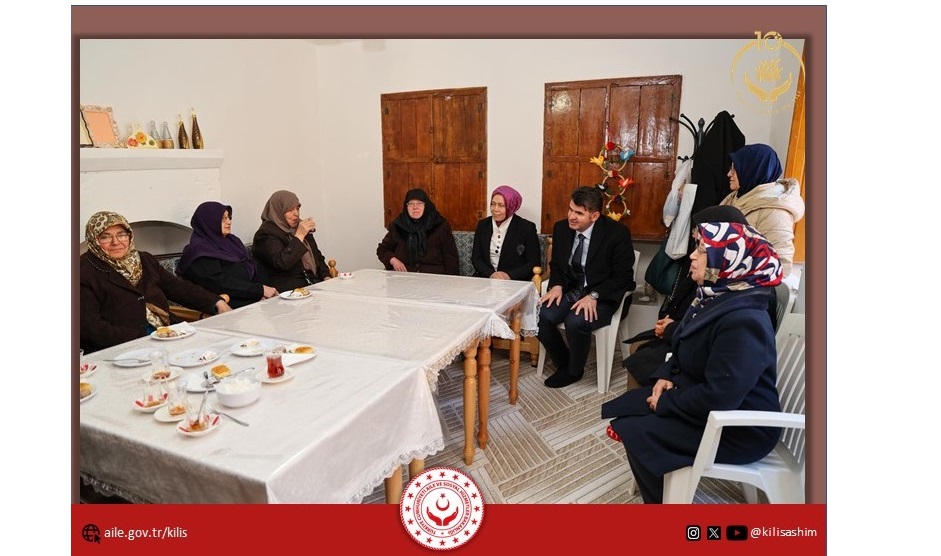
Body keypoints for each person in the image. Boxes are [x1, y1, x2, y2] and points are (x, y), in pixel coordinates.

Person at [601, 220, 783, 504]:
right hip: (717, 407)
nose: (692, 256)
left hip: (739, 428)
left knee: (637, 431)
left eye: (702, 251)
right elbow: (684, 345)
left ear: (728, 261)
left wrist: (666, 402)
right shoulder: (718, 296)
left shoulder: (744, 320)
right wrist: (667, 374)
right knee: (629, 411)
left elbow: (720, 396)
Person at [623, 205, 751, 386]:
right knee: (640, 352)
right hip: (688, 342)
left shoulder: (739, 291)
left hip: (700, 363)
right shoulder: (714, 273)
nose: (693, 253)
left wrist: (671, 328)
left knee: (642, 359)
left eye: (702, 247)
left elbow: (708, 338)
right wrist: (669, 324)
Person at [80, 211, 232, 353]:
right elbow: (91, 327)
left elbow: (177, 287)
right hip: (122, 348)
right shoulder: (83, 271)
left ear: (129, 235)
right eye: (105, 237)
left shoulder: (144, 259)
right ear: (93, 240)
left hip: (166, 331)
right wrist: (143, 340)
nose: (116, 242)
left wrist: (215, 302)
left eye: (121, 234)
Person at [538, 185, 635, 388]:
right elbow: (557, 265)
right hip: (571, 289)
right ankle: (565, 362)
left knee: (576, 321)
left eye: (579, 213)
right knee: (539, 316)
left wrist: (594, 295)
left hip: (602, 294)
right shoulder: (561, 228)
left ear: (594, 215)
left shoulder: (617, 233)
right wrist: (556, 285)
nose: (571, 216)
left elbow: (623, 277)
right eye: (570, 209)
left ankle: (574, 371)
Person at [720, 143, 805, 277]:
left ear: (752, 170)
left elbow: (779, 267)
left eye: (734, 169)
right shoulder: (736, 197)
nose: (729, 174)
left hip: (741, 286)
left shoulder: (776, 212)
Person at [177, 201, 278, 309]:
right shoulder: (199, 251)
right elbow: (218, 284)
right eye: (223, 218)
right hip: (226, 305)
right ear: (209, 222)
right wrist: (259, 291)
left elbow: (253, 266)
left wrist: (265, 291)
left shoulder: (232, 241)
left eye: (229, 217)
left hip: (252, 298)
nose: (229, 222)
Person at [252, 190, 331, 292]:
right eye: (290, 210)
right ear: (278, 211)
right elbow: (282, 263)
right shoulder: (265, 234)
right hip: (288, 291)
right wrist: (299, 236)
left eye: (297, 208)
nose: (296, 214)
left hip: (312, 285)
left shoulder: (298, 226)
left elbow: (317, 257)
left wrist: (326, 277)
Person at [377, 188, 459, 275]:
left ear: (426, 205)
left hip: (434, 276)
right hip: (405, 275)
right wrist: (393, 260)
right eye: (411, 204)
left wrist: (451, 280)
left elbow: (451, 258)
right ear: (406, 206)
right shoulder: (397, 226)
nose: (415, 207)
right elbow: (382, 249)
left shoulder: (440, 226)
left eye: (419, 203)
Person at [471, 185, 540, 280]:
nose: (495, 209)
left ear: (512, 206)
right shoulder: (483, 225)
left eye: (501, 205)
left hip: (514, 280)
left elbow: (533, 263)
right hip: (486, 278)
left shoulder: (526, 228)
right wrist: (491, 274)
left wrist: (508, 276)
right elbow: (476, 258)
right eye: (493, 204)